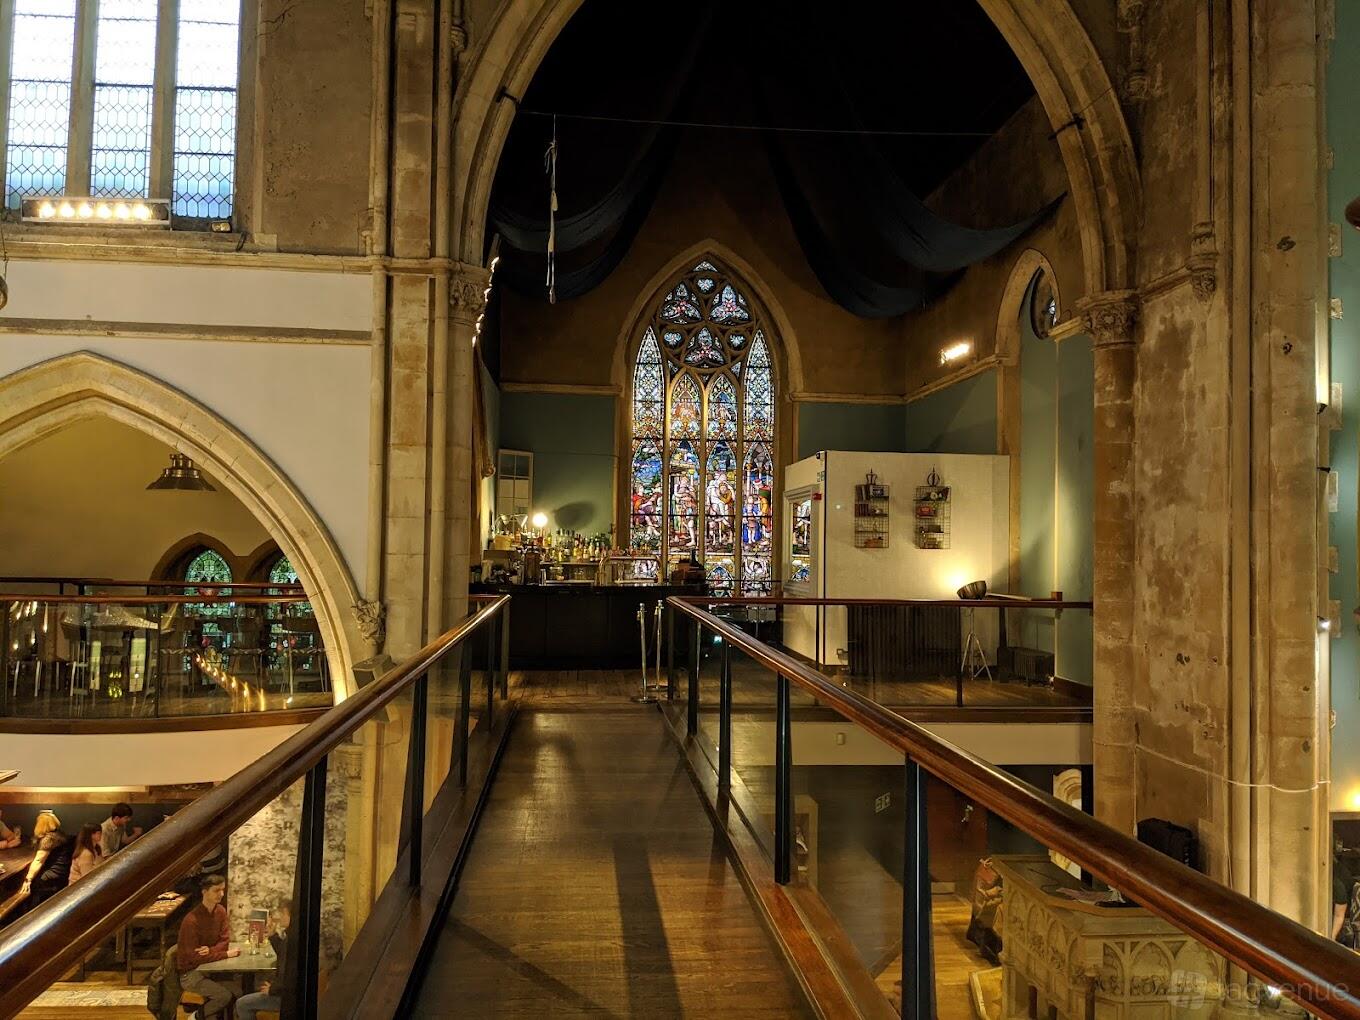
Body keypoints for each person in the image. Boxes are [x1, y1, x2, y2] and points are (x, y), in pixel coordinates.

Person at [176, 874, 239, 1019]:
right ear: (204, 892)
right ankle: (195, 1017)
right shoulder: (191, 920)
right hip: (190, 974)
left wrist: (210, 950)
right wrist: (226, 954)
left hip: (210, 968)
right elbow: (194, 957)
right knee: (224, 996)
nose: (221, 894)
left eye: (223, 890)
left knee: (238, 991)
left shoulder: (220, 911)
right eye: (217, 890)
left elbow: (225, 941)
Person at [234, 899, 290, 1020]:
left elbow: (288, 974)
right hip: (285, 991)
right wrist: (272, 935)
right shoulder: (293, 935)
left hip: (287, 998)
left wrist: (273, 989)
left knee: (242, 1004)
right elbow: (282, 954)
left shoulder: (292, 939)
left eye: (283, 914)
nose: (280, 917)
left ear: (290, 915)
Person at [20, 811, 72, 911]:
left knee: (28, 883)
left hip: (53, 874)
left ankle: (30, 912)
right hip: (63, 871)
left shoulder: (49, 839)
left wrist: (28, 879)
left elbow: (39, 860)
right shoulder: (59, 834)